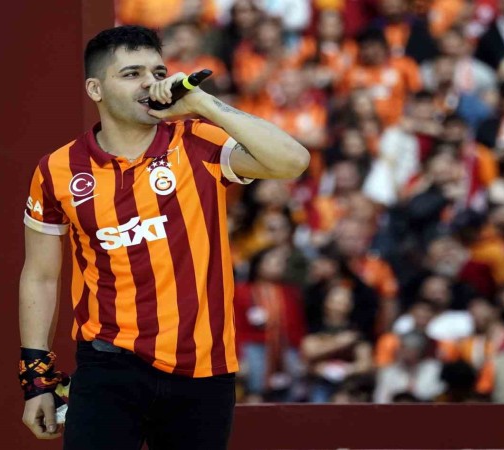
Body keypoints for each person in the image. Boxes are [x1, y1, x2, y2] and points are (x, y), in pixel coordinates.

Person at [18, 25, 309, 449]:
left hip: (204, 370)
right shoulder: (56, 170)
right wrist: (36, 379)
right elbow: (40, 276)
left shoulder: (196, 140)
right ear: (96, 89)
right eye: (131, 74)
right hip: (108, 366)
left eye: (157, 72)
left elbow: (293, 161)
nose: (149, 83)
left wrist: (203, 104)